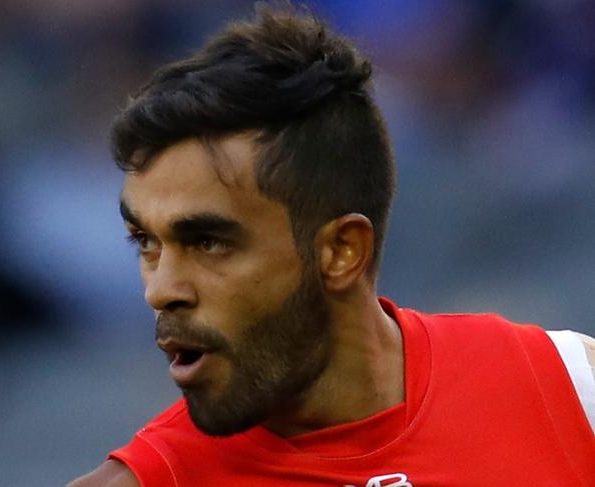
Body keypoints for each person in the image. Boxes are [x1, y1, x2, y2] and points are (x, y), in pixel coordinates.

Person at [68, 5, 595, 486]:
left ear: (343, 250)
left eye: (207, 242)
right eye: (145, 242)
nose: (161, 290)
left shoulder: (570, 388)